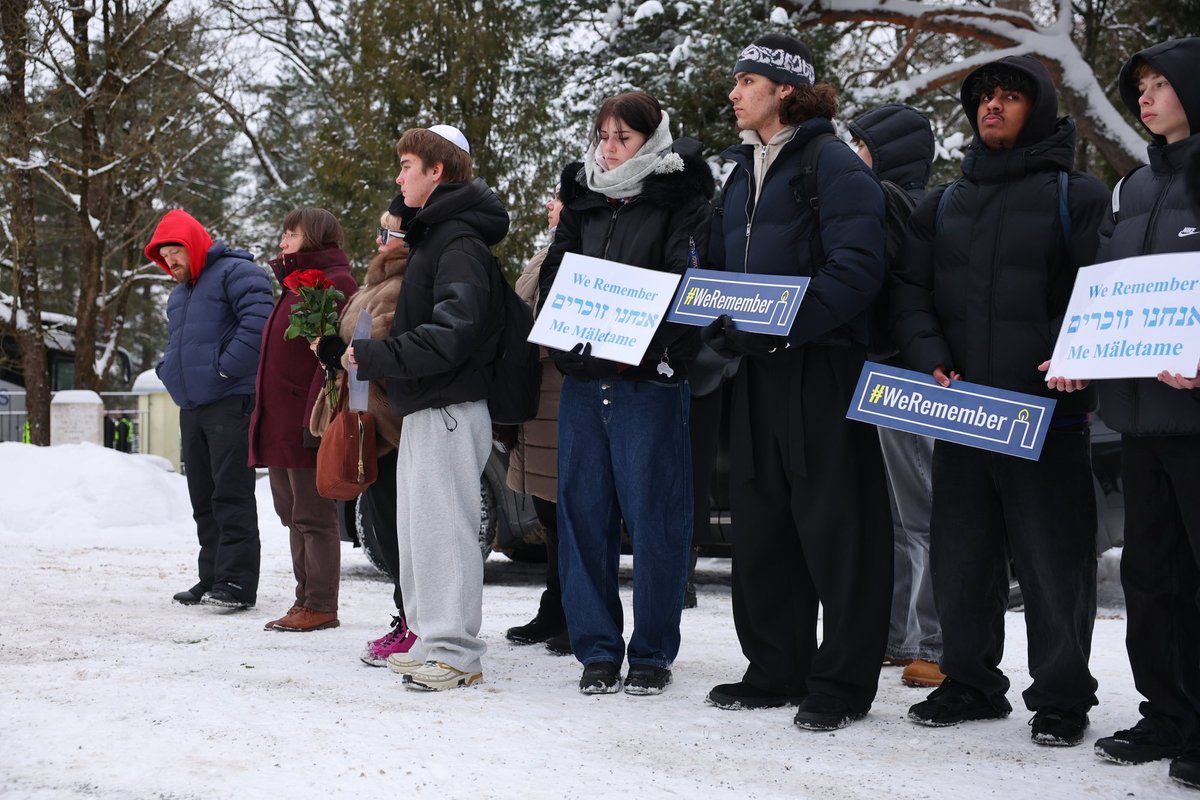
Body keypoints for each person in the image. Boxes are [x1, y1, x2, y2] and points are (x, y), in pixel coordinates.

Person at [890, 55, 1109, 746]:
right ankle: (972, 684)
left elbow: (1094, 290)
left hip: (1048, 414)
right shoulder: (945, 201)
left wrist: (1061, 354)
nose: (992, 107)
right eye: (984, 97)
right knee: (964, 559)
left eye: (1009, 97)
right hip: (961, 412)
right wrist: (930, 356)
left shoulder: (1078, 195)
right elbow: (910, 291)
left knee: (1055, 565)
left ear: (1037, 109)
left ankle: (1063, 699)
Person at [703, 33, 892, 732]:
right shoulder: (741, 170)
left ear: (784, 88)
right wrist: (718, 321)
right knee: (761, 522)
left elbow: (856, 271)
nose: (733, 93)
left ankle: (841, 682)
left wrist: (784, 325)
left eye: (745, 80)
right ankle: (776, 668)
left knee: (837, 527)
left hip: (821, 367)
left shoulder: (832, 163)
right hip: (755, 371)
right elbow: (720, 268)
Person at [1055, 37, 1199, 790]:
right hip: (1140, 420)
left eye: (1160, 83)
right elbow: (1111, 293)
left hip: (1196, 418)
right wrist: (1079, 354)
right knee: (1150, 577)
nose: (1145, 96)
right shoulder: (1134, 187)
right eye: (1138, 85)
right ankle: (1167, 714)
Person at [537, 91, 713, 696]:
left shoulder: (680, 197)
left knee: (657, 519)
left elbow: (685, 283)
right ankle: (596, 650)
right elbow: (558, 274)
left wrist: (658, 350)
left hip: (647, 384)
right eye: (604, 136)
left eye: (624, 138)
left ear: (652, 140)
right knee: (583, 517)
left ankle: (652, 652)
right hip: (585, 381)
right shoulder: (584, 199)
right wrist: (563, 341)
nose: (610, 149)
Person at [349, 124, 506, 691]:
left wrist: (374, 354)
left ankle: (456, 651)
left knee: (445, 532)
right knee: (420, 532)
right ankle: (431, 638)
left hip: (449, 404)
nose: (399, 176)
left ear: (437, 172)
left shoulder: (458, 242)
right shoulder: (438, 237)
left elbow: (453, 333)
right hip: (427, 405)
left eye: (408, 165)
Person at [846, 103, 944, 689]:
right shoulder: (901, 202)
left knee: (921, 517)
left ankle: (932, 641)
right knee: (893, 518)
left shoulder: (892, 203)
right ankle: (897, 634)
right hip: (885, 375)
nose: (850, 155)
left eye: (859, 144)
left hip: (906, 378)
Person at [148, 209, 272, 610]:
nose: (170, 262)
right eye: (164, 256)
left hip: (230, 401)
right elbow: (177, 345)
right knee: (203, 497)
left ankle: (237, 583)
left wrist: (222, 369)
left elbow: (260, 323)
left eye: (175, 252)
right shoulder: (179, 294)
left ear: (194, 244)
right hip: (194, 406)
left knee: (231, 493)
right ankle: (213, 577)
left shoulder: (238, 272)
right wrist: (167, 371)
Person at [310, 208, 413, 665]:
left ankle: (413, 622)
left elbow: (382, 350)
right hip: (366, 423)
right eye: (377, 230)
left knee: (397, 533)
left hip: (390, 427)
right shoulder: (374, 283)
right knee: (384, 531)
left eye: (386, 231)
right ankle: (406, 617)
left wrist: (336, 351)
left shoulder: (401, 284)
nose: (377, 239)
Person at [249, 207, 358, 632]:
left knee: (313, 516)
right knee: (290, 513)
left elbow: (331, 359)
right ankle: (303, 599)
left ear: (312, 237)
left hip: (307, 422)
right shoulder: (296, 284)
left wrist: (316, 415)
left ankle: (320, 603)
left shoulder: (334, 284)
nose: (282, 242)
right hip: (279, 418)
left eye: (291, 234)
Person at [504, 176, 572, 654]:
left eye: (560, 200)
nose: (550, 206)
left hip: (562, 397)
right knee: (550, 515)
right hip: (537, 401)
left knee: (574, 517)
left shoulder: (580, 254)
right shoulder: (542, 255)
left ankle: (576, 616)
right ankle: (556, 609)